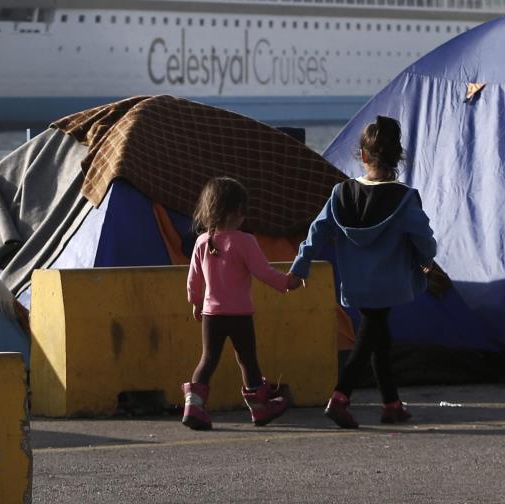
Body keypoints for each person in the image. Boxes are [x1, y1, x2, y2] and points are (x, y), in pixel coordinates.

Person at [288, 116, 437, 429]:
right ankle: (340, 396)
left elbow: (317, 231)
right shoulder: (404, 198)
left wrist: (301, 266)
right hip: (390, 283)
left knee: (380, 339)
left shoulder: (341, 193)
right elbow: (422, 237)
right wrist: (427, 259)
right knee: (369, 338)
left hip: (356, 282)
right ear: (397, 156)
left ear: (364, 155)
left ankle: (391, 404)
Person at [182, 177, 294, 430]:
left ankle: (193, 406)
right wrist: (287, 283)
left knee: (208, 359)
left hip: (211, 314)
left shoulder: (202, 241)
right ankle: (260, 407)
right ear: (236, 211)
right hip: (239, 315)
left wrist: (196, 302)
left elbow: (193, 279)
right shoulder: (244, 241)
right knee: (247, 360)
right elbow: (264, 272)